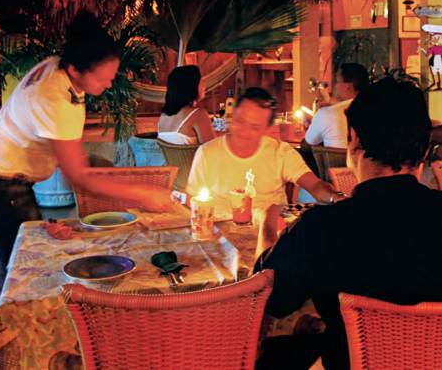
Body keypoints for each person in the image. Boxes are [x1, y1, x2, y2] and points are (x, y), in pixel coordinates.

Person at [255, 77, 442, 370]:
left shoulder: (321, 227)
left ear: (352, 138)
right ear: (424, 147)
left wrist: (267, 229)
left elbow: (271, 298)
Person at [0, 12, 174, 264]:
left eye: (112, 76)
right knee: (27, 266)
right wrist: (143, 193)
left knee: (34, 256)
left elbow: (66, 153)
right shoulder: (56, 99)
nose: (108, 84)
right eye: (103, 78)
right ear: (75, 69)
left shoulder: (56, 68)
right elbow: (79, 177)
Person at [186, 87, 339, 216]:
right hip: (220, 237)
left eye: (254, 127)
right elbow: (193, 202)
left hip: (271, 237)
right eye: (240, 121)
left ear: (267, 129)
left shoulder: (280, 152)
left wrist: (334, 197)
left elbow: (315, 185)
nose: (244, 131)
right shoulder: (207, 153)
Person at [304, 63, 369, 149]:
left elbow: (307, 144)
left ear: (348, 87)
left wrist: (308, 127)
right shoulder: (375, 109)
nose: (335, 86)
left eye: (337, 81)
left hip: (337, 162)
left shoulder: (327, 113)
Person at [158, 65, 214, 145]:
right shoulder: (199, 114)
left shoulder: (163, 116)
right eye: (201, 82)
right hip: (192, 158)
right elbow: (210, 148)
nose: (204, 86)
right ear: (192, 86)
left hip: (169, 158)